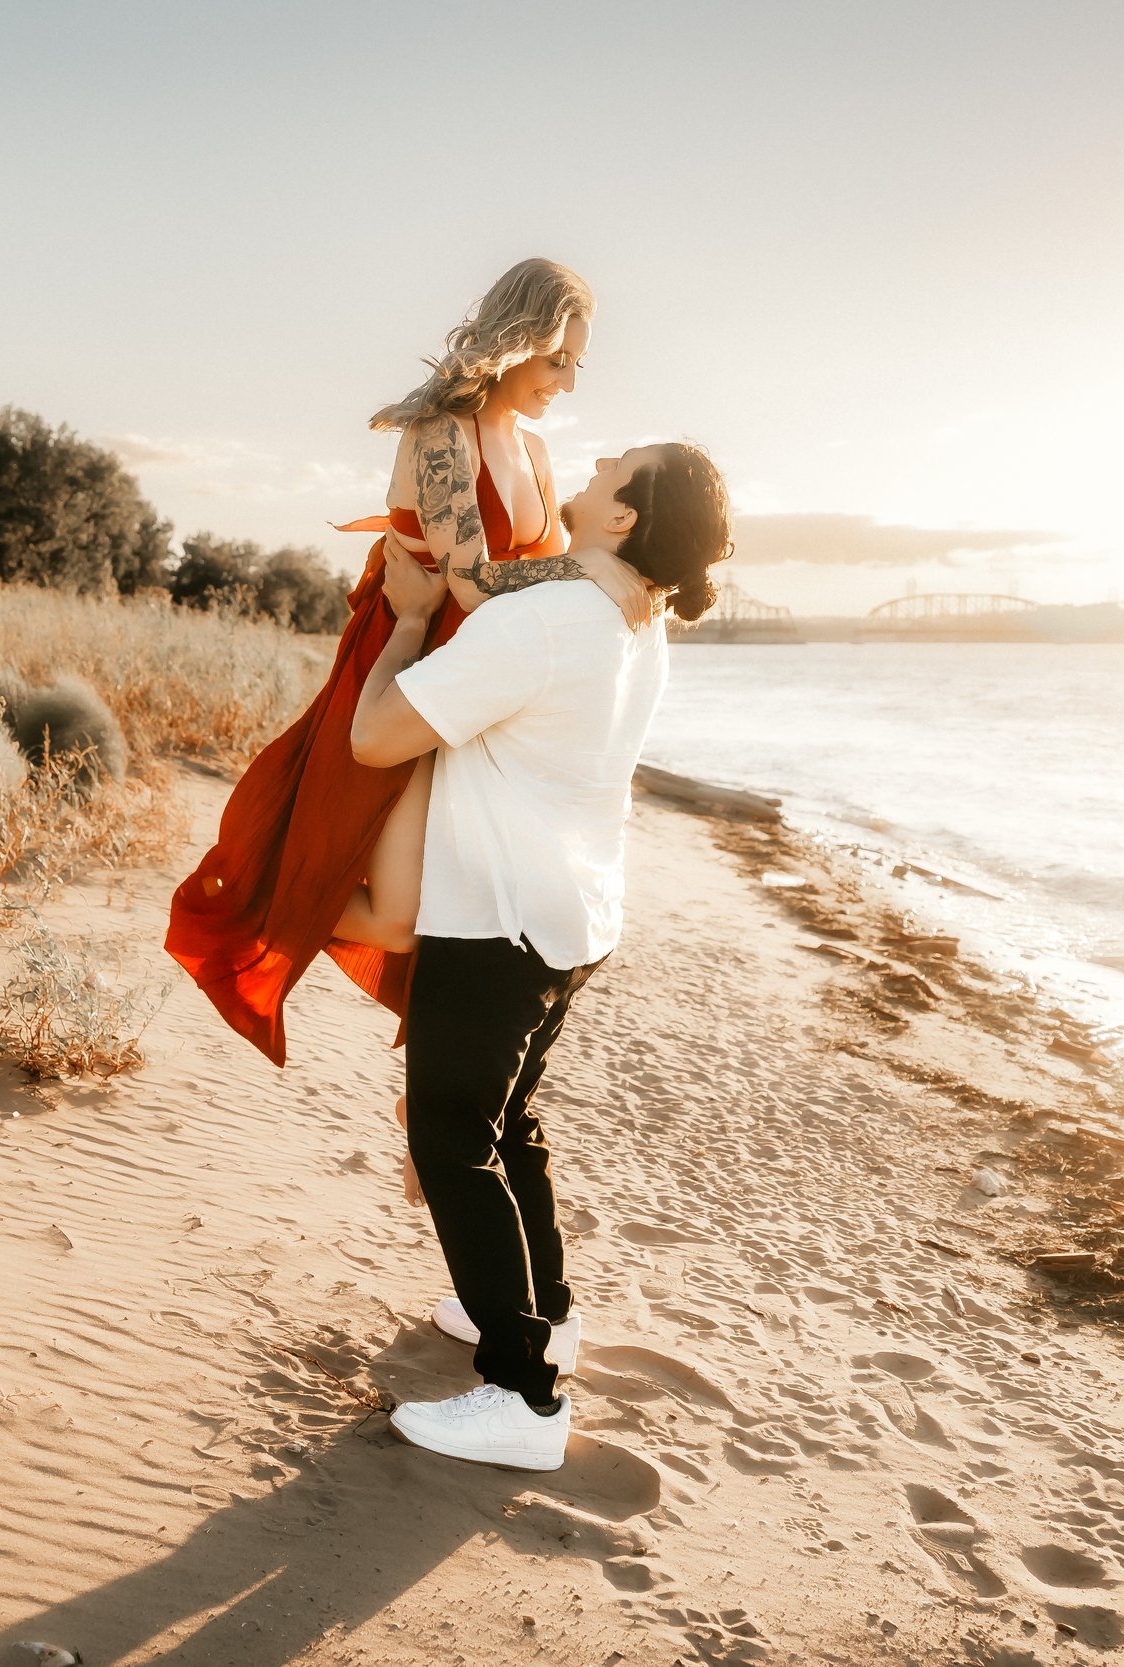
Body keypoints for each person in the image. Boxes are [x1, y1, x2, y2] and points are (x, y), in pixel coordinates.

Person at [349, 441, 735, 1471]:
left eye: (620, 464)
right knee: (506, 1119)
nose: (598, 455)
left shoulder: (550, 619)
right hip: (574, 917)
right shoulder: (631, 620)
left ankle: (523, 1393)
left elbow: (377, 736)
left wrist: (413, 621)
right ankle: (545, 1315)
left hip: (504, 917)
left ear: (620, 517)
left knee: (450, 1131)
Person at [164, 260, 647, 1070]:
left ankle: (436, 1092)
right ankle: (260, 894)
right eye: (556, 358)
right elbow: (473, 579)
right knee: (397, 916)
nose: (565, 382)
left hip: (483, 686)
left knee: (468, 904)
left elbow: (540, 585)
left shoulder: (533, 449)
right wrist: (596, 571)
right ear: (517, 338)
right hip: (408, 669)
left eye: (576, 366)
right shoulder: (439, 433)